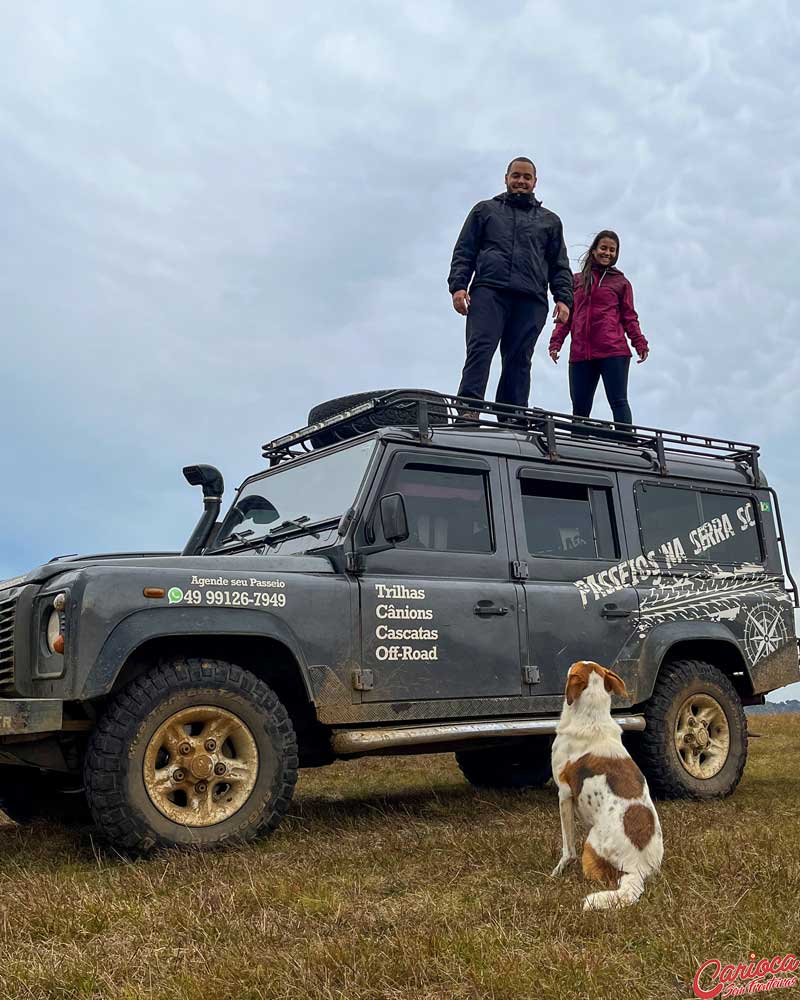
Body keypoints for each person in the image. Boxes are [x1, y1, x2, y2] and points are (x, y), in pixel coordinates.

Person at [448, 157, 573, 416]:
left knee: (519, 359)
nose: (521, 181)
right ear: (506, 178)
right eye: (516, 175)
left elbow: (559, 263)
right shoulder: (485, 210)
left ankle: (511, 417)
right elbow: (465, 251)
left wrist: (563, 298)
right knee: (480, 349)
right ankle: (469, 410)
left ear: (535, 182)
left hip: (531, 298)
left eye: (527, 177)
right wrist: (458, 286)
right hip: (489, 291)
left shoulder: (550, 221)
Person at [549, 230, 648, 428]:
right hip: (580, 354)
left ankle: (627, 447)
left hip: (613, 351)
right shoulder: (576, 281)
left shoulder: (621, 283)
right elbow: (565, 316)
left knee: (618, 401)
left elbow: (629, 317)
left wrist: (639, 342)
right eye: (604, 248)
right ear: (594, 250)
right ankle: (577, 448)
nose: (607, 253)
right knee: (580, 409)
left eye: (612, 250)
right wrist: (556, 342)